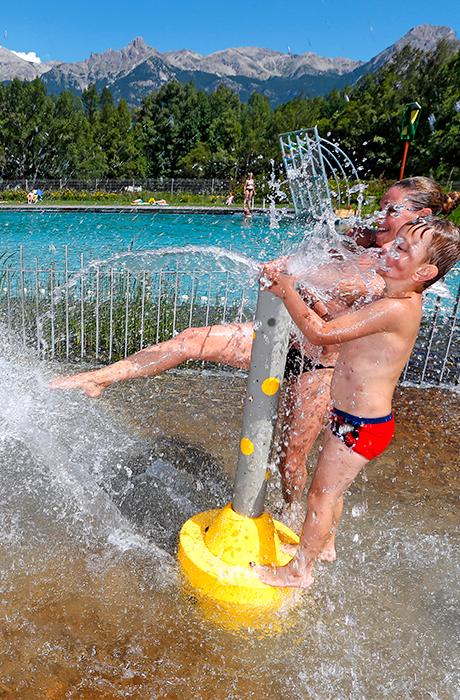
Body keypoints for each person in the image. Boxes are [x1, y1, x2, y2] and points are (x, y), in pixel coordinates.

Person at [50, 179, 460, 495]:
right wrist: (295, 264)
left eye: (391, 208)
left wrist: (294, 283)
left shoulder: (398, 273)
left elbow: (330, 302)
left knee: (291, 462)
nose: (380, 214)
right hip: (284, 338)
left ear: (419, 215)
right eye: (382, 205)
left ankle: (290, 516)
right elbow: (308, 264)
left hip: (322, 366)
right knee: (192, 338)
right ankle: (100, 378)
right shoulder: (358, 239)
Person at [256, 218, 460, 587]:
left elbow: (320, 332)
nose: (387, 248)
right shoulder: (389, 300)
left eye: (402, 248)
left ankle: (300, 570)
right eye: (393, 242)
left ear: (424, 271)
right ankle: (325, 544)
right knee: (332, 489)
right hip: (353, 419)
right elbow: (341, 322)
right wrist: (302, 289)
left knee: (321, 494)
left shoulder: (396, 309)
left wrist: (286, 290)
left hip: (361, 426)